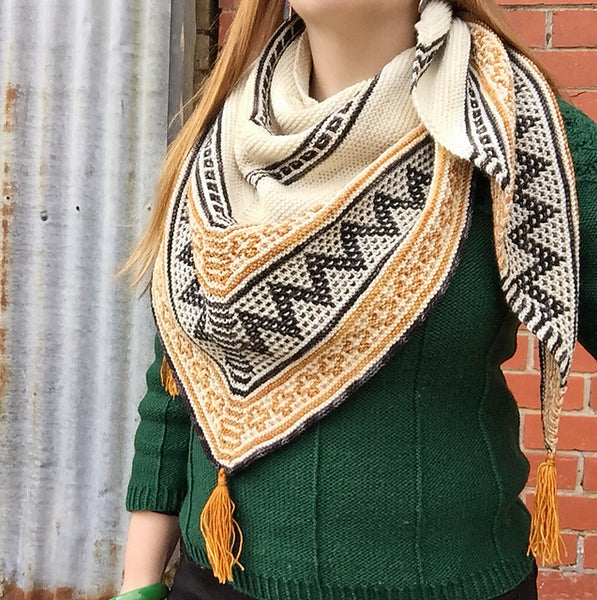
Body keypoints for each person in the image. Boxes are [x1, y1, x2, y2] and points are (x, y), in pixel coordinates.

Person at [112, 0, 597, 599]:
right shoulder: (221, 145)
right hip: (213, 580)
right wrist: (137, 585)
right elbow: (177, 379)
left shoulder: (516, 131)